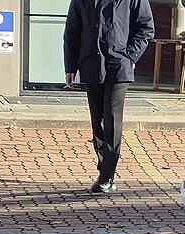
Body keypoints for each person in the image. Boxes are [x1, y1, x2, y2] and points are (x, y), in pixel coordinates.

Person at [64, 0, 155, 194]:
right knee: (98, 122)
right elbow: (72, 30)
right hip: (91, 64)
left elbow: (146, 27)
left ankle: (107, 175)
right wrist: (70, 66)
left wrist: (129, 56)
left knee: (112, 121)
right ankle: (104, 167)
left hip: (118, 67)